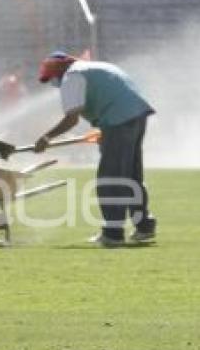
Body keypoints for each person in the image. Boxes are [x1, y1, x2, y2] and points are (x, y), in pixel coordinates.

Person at [34, 51, 157, 247]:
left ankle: (113, 233)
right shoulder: (97, 67)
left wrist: (46, 137)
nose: (53, 83)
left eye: (51, 78)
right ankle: (144, 226)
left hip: (118, 121)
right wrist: (107, 129)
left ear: (58, 70)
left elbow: (71, 118)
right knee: (132, 176)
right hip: (136, 116)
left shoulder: (71, 77)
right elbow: (115, 96)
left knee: (111, 178)